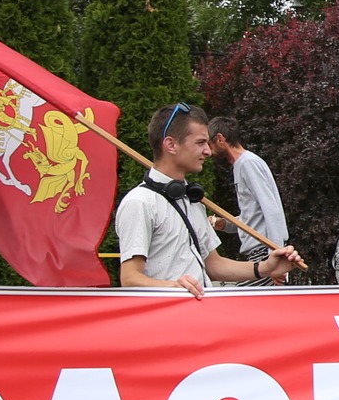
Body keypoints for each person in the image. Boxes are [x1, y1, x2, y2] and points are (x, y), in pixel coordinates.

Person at [115, 103, 304, 296]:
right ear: (171, 145)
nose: (208, 151)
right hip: (166, 322)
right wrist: (172, 287)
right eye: (200, 142)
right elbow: (130, 278)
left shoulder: (192, 200)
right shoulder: (139, 203)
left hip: (199, 318)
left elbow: (214, 264)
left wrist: (267, 267)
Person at [207, 117, 288, 250]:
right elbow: (252, 217)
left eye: (209, 144)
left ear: (220, 139)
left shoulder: (248, 163)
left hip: (264, 250)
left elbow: (270, 207)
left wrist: (277, 251)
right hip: (260, 249)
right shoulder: (241, 165)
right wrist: (225, 224)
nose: (209, 152)